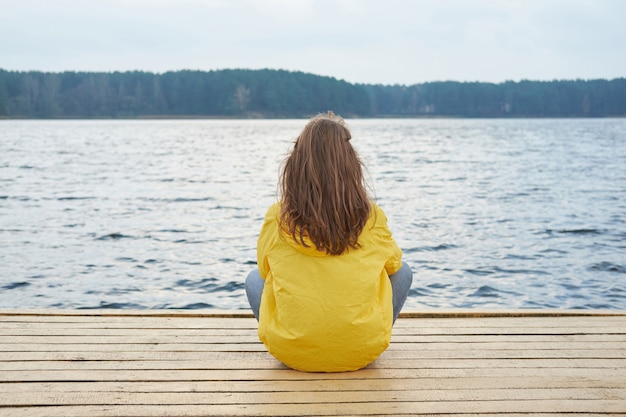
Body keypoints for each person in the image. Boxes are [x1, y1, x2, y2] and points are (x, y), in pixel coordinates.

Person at [245, 112, 412, 372]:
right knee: (404, 273)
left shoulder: (277, 217)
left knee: (253, 279)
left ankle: (297, 345)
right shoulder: (371, 217)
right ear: (351, 166)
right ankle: (361, 343)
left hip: (292, 354)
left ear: (295, 167)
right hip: (362, 351)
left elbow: (265, 272)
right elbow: (394, 266)